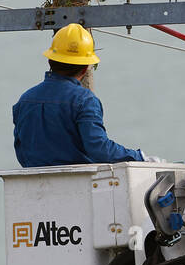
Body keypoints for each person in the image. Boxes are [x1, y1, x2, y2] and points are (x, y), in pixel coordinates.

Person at [13, 24, 156, 167]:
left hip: (31, 182)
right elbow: (99, 149)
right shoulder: (84, 100)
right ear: (86, 67)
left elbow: (21, 149)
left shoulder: (24, 100)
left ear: (50, 60)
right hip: (79, 184)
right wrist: (139, 157)